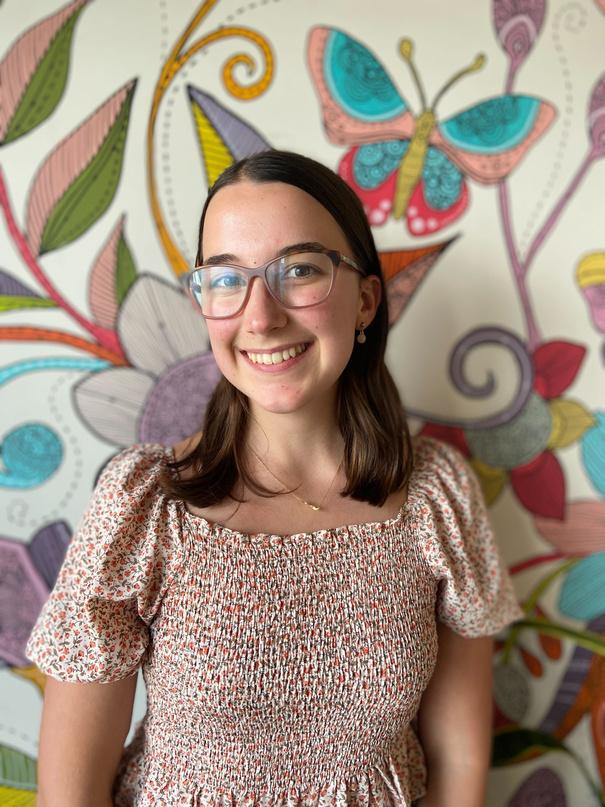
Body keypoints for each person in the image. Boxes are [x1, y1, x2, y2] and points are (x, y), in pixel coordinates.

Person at [26, 150, 523, 807]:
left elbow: (458, 765)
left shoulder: (437, 494)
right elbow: (71, 794)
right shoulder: (144, 503)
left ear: (365, 300)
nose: (260, 317)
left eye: (300, 270)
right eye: (226, 279)